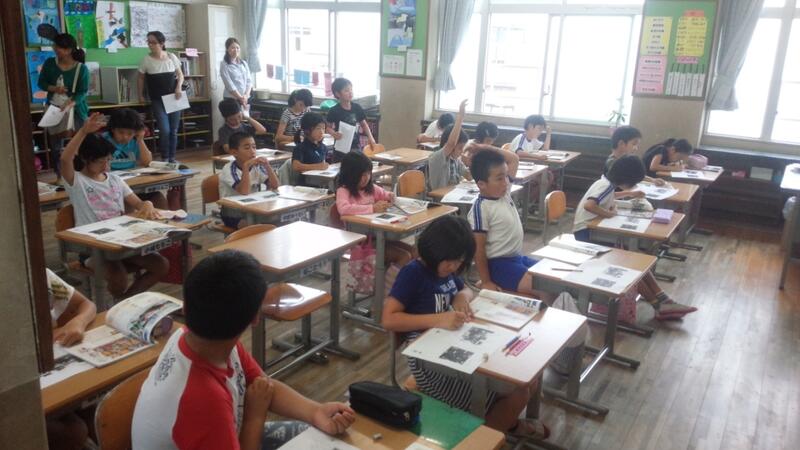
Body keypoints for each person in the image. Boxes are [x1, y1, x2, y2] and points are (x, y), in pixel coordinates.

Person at [132, 250, 356, 450]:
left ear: (185, 307)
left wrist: (315, 412)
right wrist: (254, 416)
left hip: (225, 431)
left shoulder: (203, 339)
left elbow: (263, 386)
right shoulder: (203, 399)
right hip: (231, 428)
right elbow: (253, 403)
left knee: (316, 435)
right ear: (255, 318)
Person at [382, 216, 550, 440]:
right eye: (450, 261)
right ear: (433, 251)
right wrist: (438, 319)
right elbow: (388, 319)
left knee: (528, 377)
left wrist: (461, 296)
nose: (454, 267)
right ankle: (481, 441)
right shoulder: (414, 273)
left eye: (459, 262)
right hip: (429, 365)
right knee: (518, 392)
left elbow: (466, 289)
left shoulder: (445, 270)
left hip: (454, 347)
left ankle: (504, 425)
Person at [572, 154, 698, 320]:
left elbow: (610, 196)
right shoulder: (605, 185)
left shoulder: (606, 184)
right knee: (630, 263)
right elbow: (589, 205)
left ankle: (663, 301)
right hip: (586, 233)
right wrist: (609, 214)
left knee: (636, 260)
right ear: (627, 178)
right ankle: (659, 304)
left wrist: (629, 194)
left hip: (593, 229)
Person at [61, 113, 169, 299]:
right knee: (119, 278)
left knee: (162, 265)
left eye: (109, 160)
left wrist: (148, 203)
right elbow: (65, 159)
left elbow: (137, 203)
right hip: (94, 248)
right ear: (86, 159)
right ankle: (120, 303)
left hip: (122, 242)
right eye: (100, 161)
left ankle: (124, 301)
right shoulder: (76, 182)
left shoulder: (115, 180)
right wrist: (83, 131)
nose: (106, 166)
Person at [45, 268, 97, 450]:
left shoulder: (43, 275)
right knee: (74, 431)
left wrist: (78, 321)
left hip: (52, 374)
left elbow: (86, 304)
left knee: (93, 408)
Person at [336, 152, 413, 266]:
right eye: (362, 175)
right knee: (405, 256)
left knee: (414, 252)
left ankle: (392, 275)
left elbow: (384, 194)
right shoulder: (343, 191)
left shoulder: (371, 188)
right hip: (361, 241)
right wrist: (372, 208)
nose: (366, 178)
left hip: (377, 235)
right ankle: (392, 278)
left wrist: (390, 196)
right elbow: (343, 209)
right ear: (350, 174)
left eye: (368, 173)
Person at [37, 33, 89, 179]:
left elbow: (82, 92)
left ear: (69, 50)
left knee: (80, 143)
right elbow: (41, 83)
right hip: (54, 109)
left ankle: (81, 175)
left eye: (58, 47)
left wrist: (70, 103)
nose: (55, 49)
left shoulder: (81, 69)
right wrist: (54, 88)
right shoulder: (50, 63)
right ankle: (61, 176)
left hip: (76, 110)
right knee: (56, 146)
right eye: (55, 46)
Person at [100, 109, 169, 209]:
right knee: (127, 204)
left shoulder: (135, 140)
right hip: (111, 186)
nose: (125, 137)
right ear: (113, 129)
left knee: (158, 198)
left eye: (129, 133)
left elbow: (147, 162)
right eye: (121, 132)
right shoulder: (103, 140)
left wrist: (140, 140)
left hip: (131, 182)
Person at [137, 31, 184, 163]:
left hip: (173, 98)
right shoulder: (146, 60)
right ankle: (165, 157)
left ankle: (172, 158)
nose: (150, 45)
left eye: (153, 42)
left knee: (174, 130)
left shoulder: (171, 57)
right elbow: (140, 78)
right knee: (164, 129)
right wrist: (140, 95)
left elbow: (180, 75)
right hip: (157, 99)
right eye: (149, 42)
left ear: (162, 43)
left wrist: (178, 87)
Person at [219, 131, 279, 229]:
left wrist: (267, 166)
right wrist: (246, 167)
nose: (252, 151)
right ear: (234, 152)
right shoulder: (229, 169)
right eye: (247, 148)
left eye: (254, 147)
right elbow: (244, 191)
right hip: (232, 211)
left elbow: (275, 185)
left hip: (253, 207)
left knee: (275, 220)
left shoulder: (257, 166)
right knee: (253, 227)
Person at [605, 126, 666, 196]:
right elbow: (608, 195)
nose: (636, 148)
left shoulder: (625, 161)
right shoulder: (612, 162)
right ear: (621, 143)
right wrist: (630, 193)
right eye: (634, 144)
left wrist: (653, 180)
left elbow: (633, 174)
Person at [326, 78, 376, 160]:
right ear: (338, 94)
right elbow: (327, 128)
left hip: (355, 146)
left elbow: (364, 124)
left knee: (356, 165)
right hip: (340, 147)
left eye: (351, 89)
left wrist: (371, 138)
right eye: (346, 90)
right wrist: (334, 133)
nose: (350, 92)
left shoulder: (357, 107)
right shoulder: (334, 110)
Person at [292, 112, 329, 186]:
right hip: (306, 185)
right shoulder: (300, 147)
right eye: (318, 128)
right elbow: (296, 166)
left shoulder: (323, 147)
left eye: (323, 128)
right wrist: (317, 166)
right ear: (307, 130)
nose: (321, 132)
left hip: (320, 183)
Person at [219, 37, 252, 114]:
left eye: (237, 48)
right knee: (233, 119)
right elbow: (229, 84)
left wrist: (246, 96)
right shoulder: (224, 64)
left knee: (245, 119)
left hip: (245, 98)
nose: (236, 50)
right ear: (227, 49)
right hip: (231, 99)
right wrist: (240, 97)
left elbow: (249, 81)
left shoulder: (243, 63)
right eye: (233, 48)